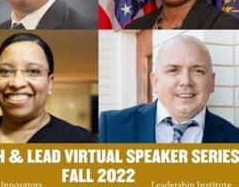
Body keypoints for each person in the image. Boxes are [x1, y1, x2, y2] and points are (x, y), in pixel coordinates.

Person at [0, 33, 97, 143]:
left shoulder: (80, 143)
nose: (17, 83)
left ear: (50, 83)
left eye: (34, 71)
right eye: (6, 71)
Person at [99, 35, 239, 143]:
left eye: (198, 71)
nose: (186, 82)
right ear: (155, 81)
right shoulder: (111, 126)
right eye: (173, 70)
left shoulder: (234, 138)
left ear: (211, 82)